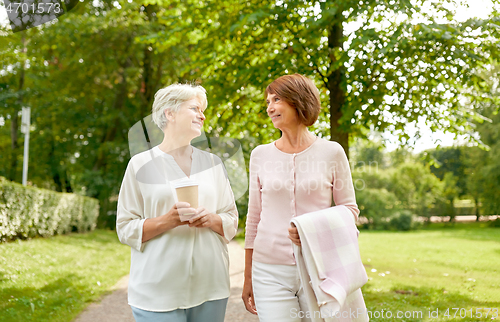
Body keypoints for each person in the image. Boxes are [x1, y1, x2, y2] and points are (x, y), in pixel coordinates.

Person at [242, 74, 360, 321]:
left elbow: (349, 209)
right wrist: (248, 276)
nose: (270, 107)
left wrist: (311, 228)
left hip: (320, 267)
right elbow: (253, 218)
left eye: (276, 99)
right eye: (268, 102)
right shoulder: (260, 155)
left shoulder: (332, 152)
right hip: (269, 269)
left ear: (299, 101)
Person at [116, 83, 238, 322]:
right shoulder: (140, 165)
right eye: (194, 108)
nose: (202, 115)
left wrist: (212, 219)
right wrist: (167, 221)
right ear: (169, 113)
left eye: (202, 110)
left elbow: (231, 219)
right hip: (157, 291)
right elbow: (125, 227)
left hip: (210, 287)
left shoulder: (213, 163)